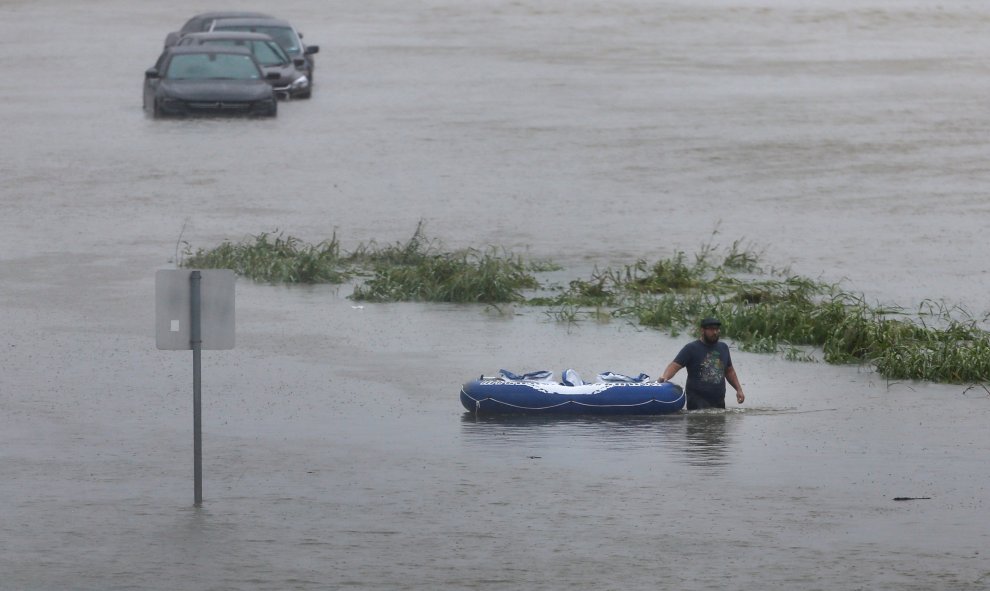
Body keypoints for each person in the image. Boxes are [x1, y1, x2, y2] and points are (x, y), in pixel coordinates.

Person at [657, 317, 745, 410]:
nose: (715, 332)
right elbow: (675, 366)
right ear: (702, 330)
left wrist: (739, 389)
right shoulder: (691, 348)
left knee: (719, 422)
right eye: (711, 329)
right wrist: (665, 377)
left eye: (717, 329)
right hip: (697, 401)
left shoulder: (723, 348)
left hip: (718, 400)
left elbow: (729, 371)